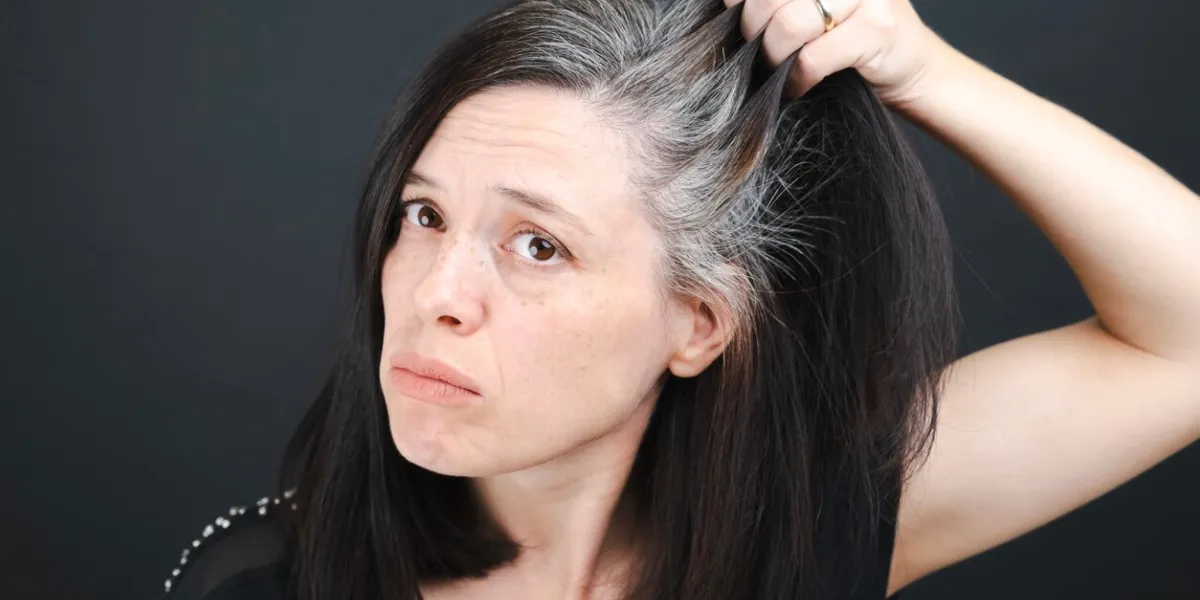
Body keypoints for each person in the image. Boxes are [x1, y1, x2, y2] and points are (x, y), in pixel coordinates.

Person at [159, 0, 1200, 599]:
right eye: (425, 217)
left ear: (699, 323)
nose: (438, 295)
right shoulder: (260, 588)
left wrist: (930, 75)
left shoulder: (805, 537)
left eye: (537, 245)